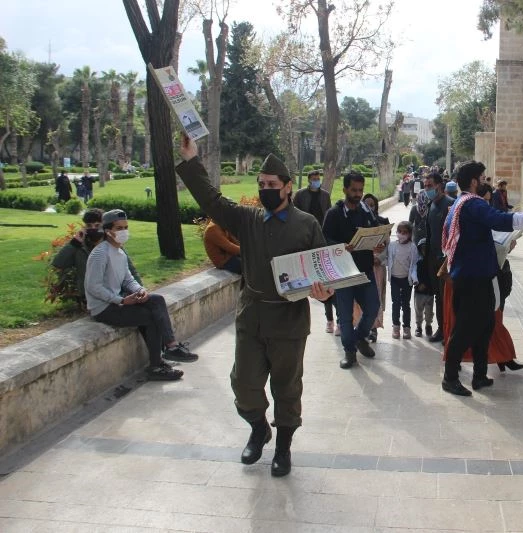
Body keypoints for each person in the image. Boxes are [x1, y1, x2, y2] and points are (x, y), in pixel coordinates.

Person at [177, 136, 332, 477]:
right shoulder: (246, 219)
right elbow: (212, 200)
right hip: (252, 314)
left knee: (287, 388)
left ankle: (283, 448)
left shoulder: (307, 224)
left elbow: (323, 271)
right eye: (261, 185)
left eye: (272, 185)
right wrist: (191, 162)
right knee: (244, 383)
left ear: (288, 187)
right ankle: (259, 428)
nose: (265, 190)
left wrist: (324, 294)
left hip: (289, 319)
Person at [440, 161, 523, 396]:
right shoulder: (473, 204)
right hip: (473, 277)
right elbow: (500, 219)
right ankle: (450, 378)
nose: (485, 182)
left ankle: (480, 374)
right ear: (474, 181)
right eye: (482, 178)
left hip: (474, 274)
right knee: (465, 329)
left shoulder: (461, 203)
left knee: (485, 325)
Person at [85, 209, 198, 383]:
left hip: (119, 302)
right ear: (108, 231)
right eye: (119, 228)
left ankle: (171, 347)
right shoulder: (100, 253)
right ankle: (156, 366)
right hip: (104, 308)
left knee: (157, 300)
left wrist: (140, 290)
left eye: (126, 227)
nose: (124, 231)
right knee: (150, 317)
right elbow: (93, 286)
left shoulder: (120, 252)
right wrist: (121, 300)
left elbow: (128, 279)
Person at [322, 171, 384, 369]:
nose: (358, 194)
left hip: (365, 270)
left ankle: (359, 338)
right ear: (345, 190)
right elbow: (324, 240)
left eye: (360, 190)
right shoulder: (333, 214)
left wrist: (379, 243)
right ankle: (349, 352)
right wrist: (341, 247)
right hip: (343, 273)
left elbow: (376, 230)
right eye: (354, 190)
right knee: (345, 315)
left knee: (373, 307)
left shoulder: (366, 211)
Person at [51, 208, 142, 307]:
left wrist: (139, 291)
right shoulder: (79, 248)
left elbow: (131, 271)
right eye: (89, 226)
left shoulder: (113, 244)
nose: (93, 228)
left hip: (117, 295)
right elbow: (58, 263)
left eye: (97, 225)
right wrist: (74, 243)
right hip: (94, 301)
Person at [293, 169, 337, 333]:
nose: (316, 181)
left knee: (325, 281)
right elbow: (294, 215)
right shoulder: (300, 195)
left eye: (318, 178)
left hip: (322, 239)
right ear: (308, 180)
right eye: (314, 179)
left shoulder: (325, 195)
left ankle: (331, 319)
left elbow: (329, 214)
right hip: (305, 239)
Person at [424, 171, 454, 343]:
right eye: (425, 186)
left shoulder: (450, 205)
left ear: (439, 186)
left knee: (448, 297)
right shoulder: (431, 205)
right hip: (433, 259)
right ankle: (442, 330)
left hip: (446, 260)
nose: (427, 189)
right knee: (438, 296)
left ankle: (450, 332)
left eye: (430, 185)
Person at [363, 193, 389, 342]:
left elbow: (387, 246)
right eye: (366, 204)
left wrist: (379, 258)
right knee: (362, 298)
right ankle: (363, 328)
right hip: (362, 265)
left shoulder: (382, 222)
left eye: (372, 205)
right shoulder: (357, 223)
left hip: (378, 267)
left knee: (376, 297)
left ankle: (374, 329)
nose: (369, 207)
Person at [387, 221, 418, 339]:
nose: (402, 234)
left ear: (410, 234)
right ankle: (396, 327)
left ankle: (407, 328)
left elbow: (414, 265)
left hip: (406, 280)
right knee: (395, 303)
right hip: (394, 279)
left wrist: (414, 278)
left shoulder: (412, 247)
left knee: (405, 304)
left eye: (405, 232)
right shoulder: (392, 245)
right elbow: (387, 259)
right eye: (399, 231)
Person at [413, 238, 435, 337]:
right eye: (422, 248)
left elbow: (434, 276)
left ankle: (428, 325)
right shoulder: (418, 262)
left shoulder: (433, 262)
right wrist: (418, 284)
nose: (424, 250)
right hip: (419, 292)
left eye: (426, 248)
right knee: (418, 310)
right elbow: (414, 274)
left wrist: (430, 286)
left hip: (429, 291)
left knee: (429, 311)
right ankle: (419, 326)